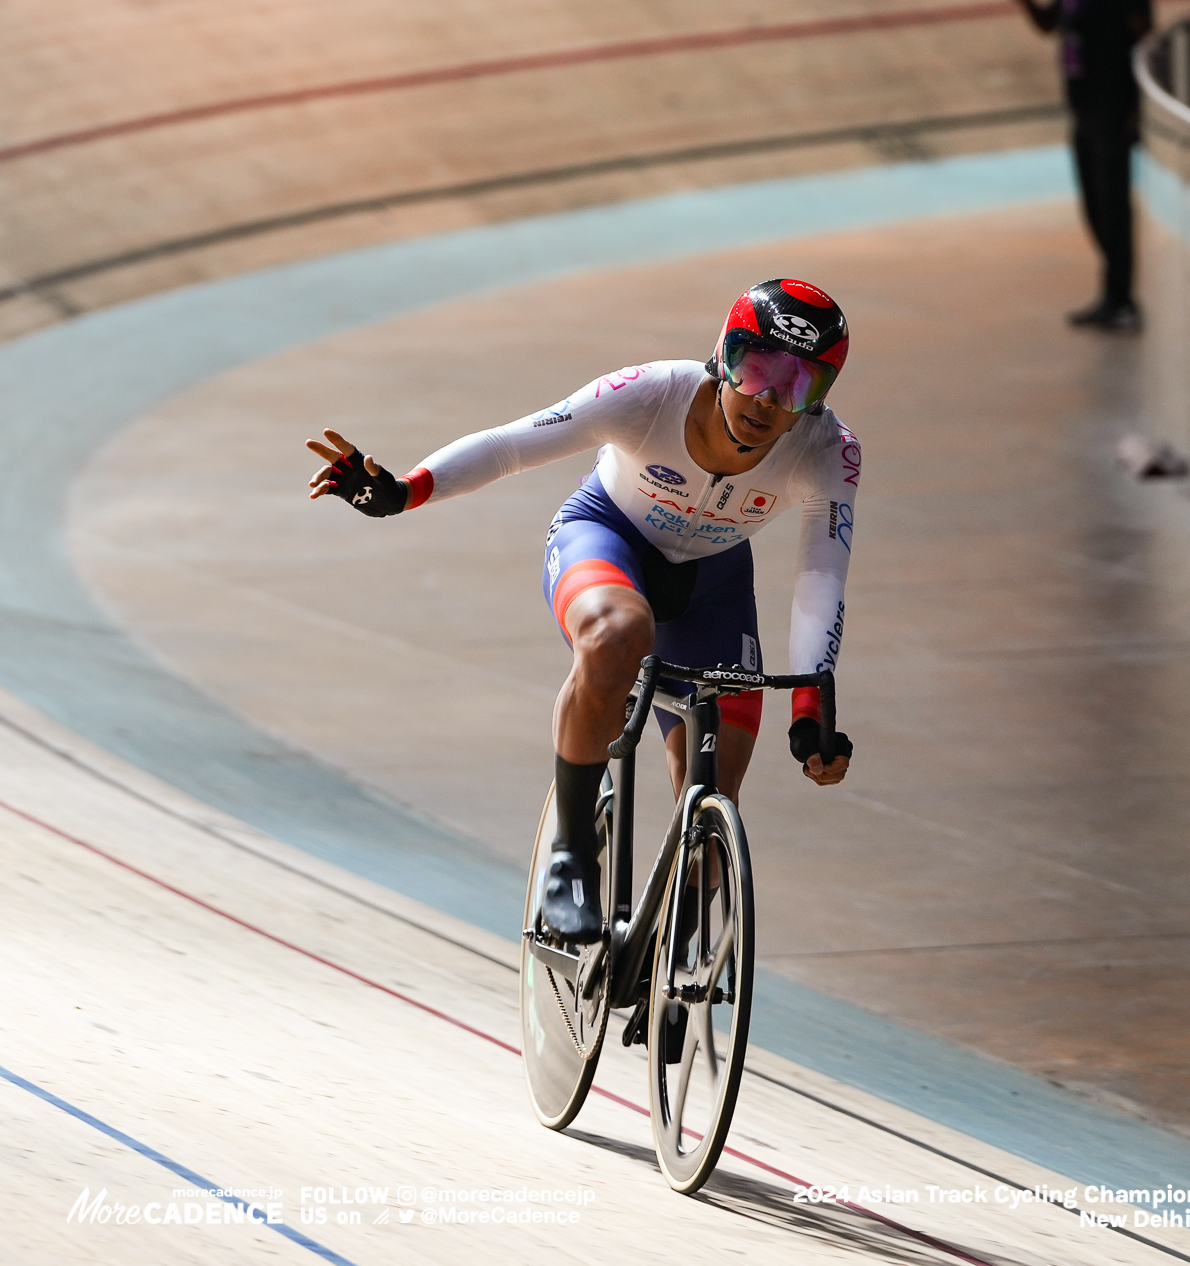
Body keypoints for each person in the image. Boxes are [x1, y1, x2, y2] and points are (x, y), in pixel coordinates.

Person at [307, 279, 858, 944]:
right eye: (755, 368)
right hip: (607, 538)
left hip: (714, 583)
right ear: (722, 356)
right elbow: (512, 445)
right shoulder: (651, 393)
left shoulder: (828, 449)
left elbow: (821, 574)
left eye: (800, 386)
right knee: (621, 633)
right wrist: (404, 491)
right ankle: (570, 861)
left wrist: (811, 710)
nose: (768, 400)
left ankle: (666, 955)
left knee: (712, 815)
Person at [1007, 0, 1153, 333]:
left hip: (1113, 107)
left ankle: (1122, 299)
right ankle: (1112, 295)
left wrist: (1137, 108)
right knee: (1093, 205)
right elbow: (1052, 23)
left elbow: (1145, 41)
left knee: (1114, 206)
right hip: (1083, 106)